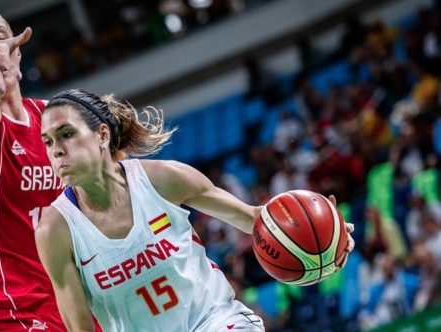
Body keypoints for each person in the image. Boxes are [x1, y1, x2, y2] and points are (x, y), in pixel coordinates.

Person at [35, 89, 355, 331]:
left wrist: (327, 241)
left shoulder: (163, 179)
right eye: (48, 142)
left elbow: (255, 219)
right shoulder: (55, 229)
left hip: (216, 320)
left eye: (67, 134)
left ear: (102, 135)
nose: (57, 150)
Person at [0, 8, 101, 331]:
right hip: (11, 315)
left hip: (80, 306)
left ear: (17, 46)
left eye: (1, 37)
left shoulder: (51, 118)